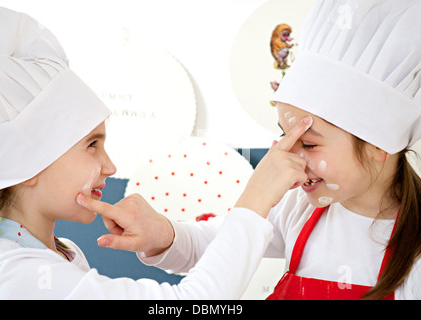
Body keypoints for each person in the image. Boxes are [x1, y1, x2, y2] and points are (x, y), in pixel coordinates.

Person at [0, 4, 312, 299]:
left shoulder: (62, 253)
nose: (109, 166)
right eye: (92, 145)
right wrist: (256, 198)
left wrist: (165, 233)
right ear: (27, 165)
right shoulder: (17, 276)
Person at [115, 0, 421, 300]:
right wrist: (162, 234)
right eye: (284, 136)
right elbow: (217, 246)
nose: (289, 158)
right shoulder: (296, 207)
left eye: (309, 143)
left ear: (378, 145)